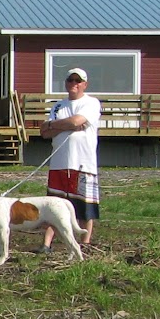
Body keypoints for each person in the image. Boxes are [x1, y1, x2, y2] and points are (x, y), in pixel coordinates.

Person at [40, 66, 101, 247]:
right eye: (70, 80)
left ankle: (85, 243)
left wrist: (55, 125)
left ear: (84, 84)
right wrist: (62, 125)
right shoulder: (58, 106)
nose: (73, 83)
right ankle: (46, 244)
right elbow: (44, 131)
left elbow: (77, 121)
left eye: (78, 80)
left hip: (82, 162)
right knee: (54, 205)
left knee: (84, 205)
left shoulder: (91, 103)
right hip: (59, 163)